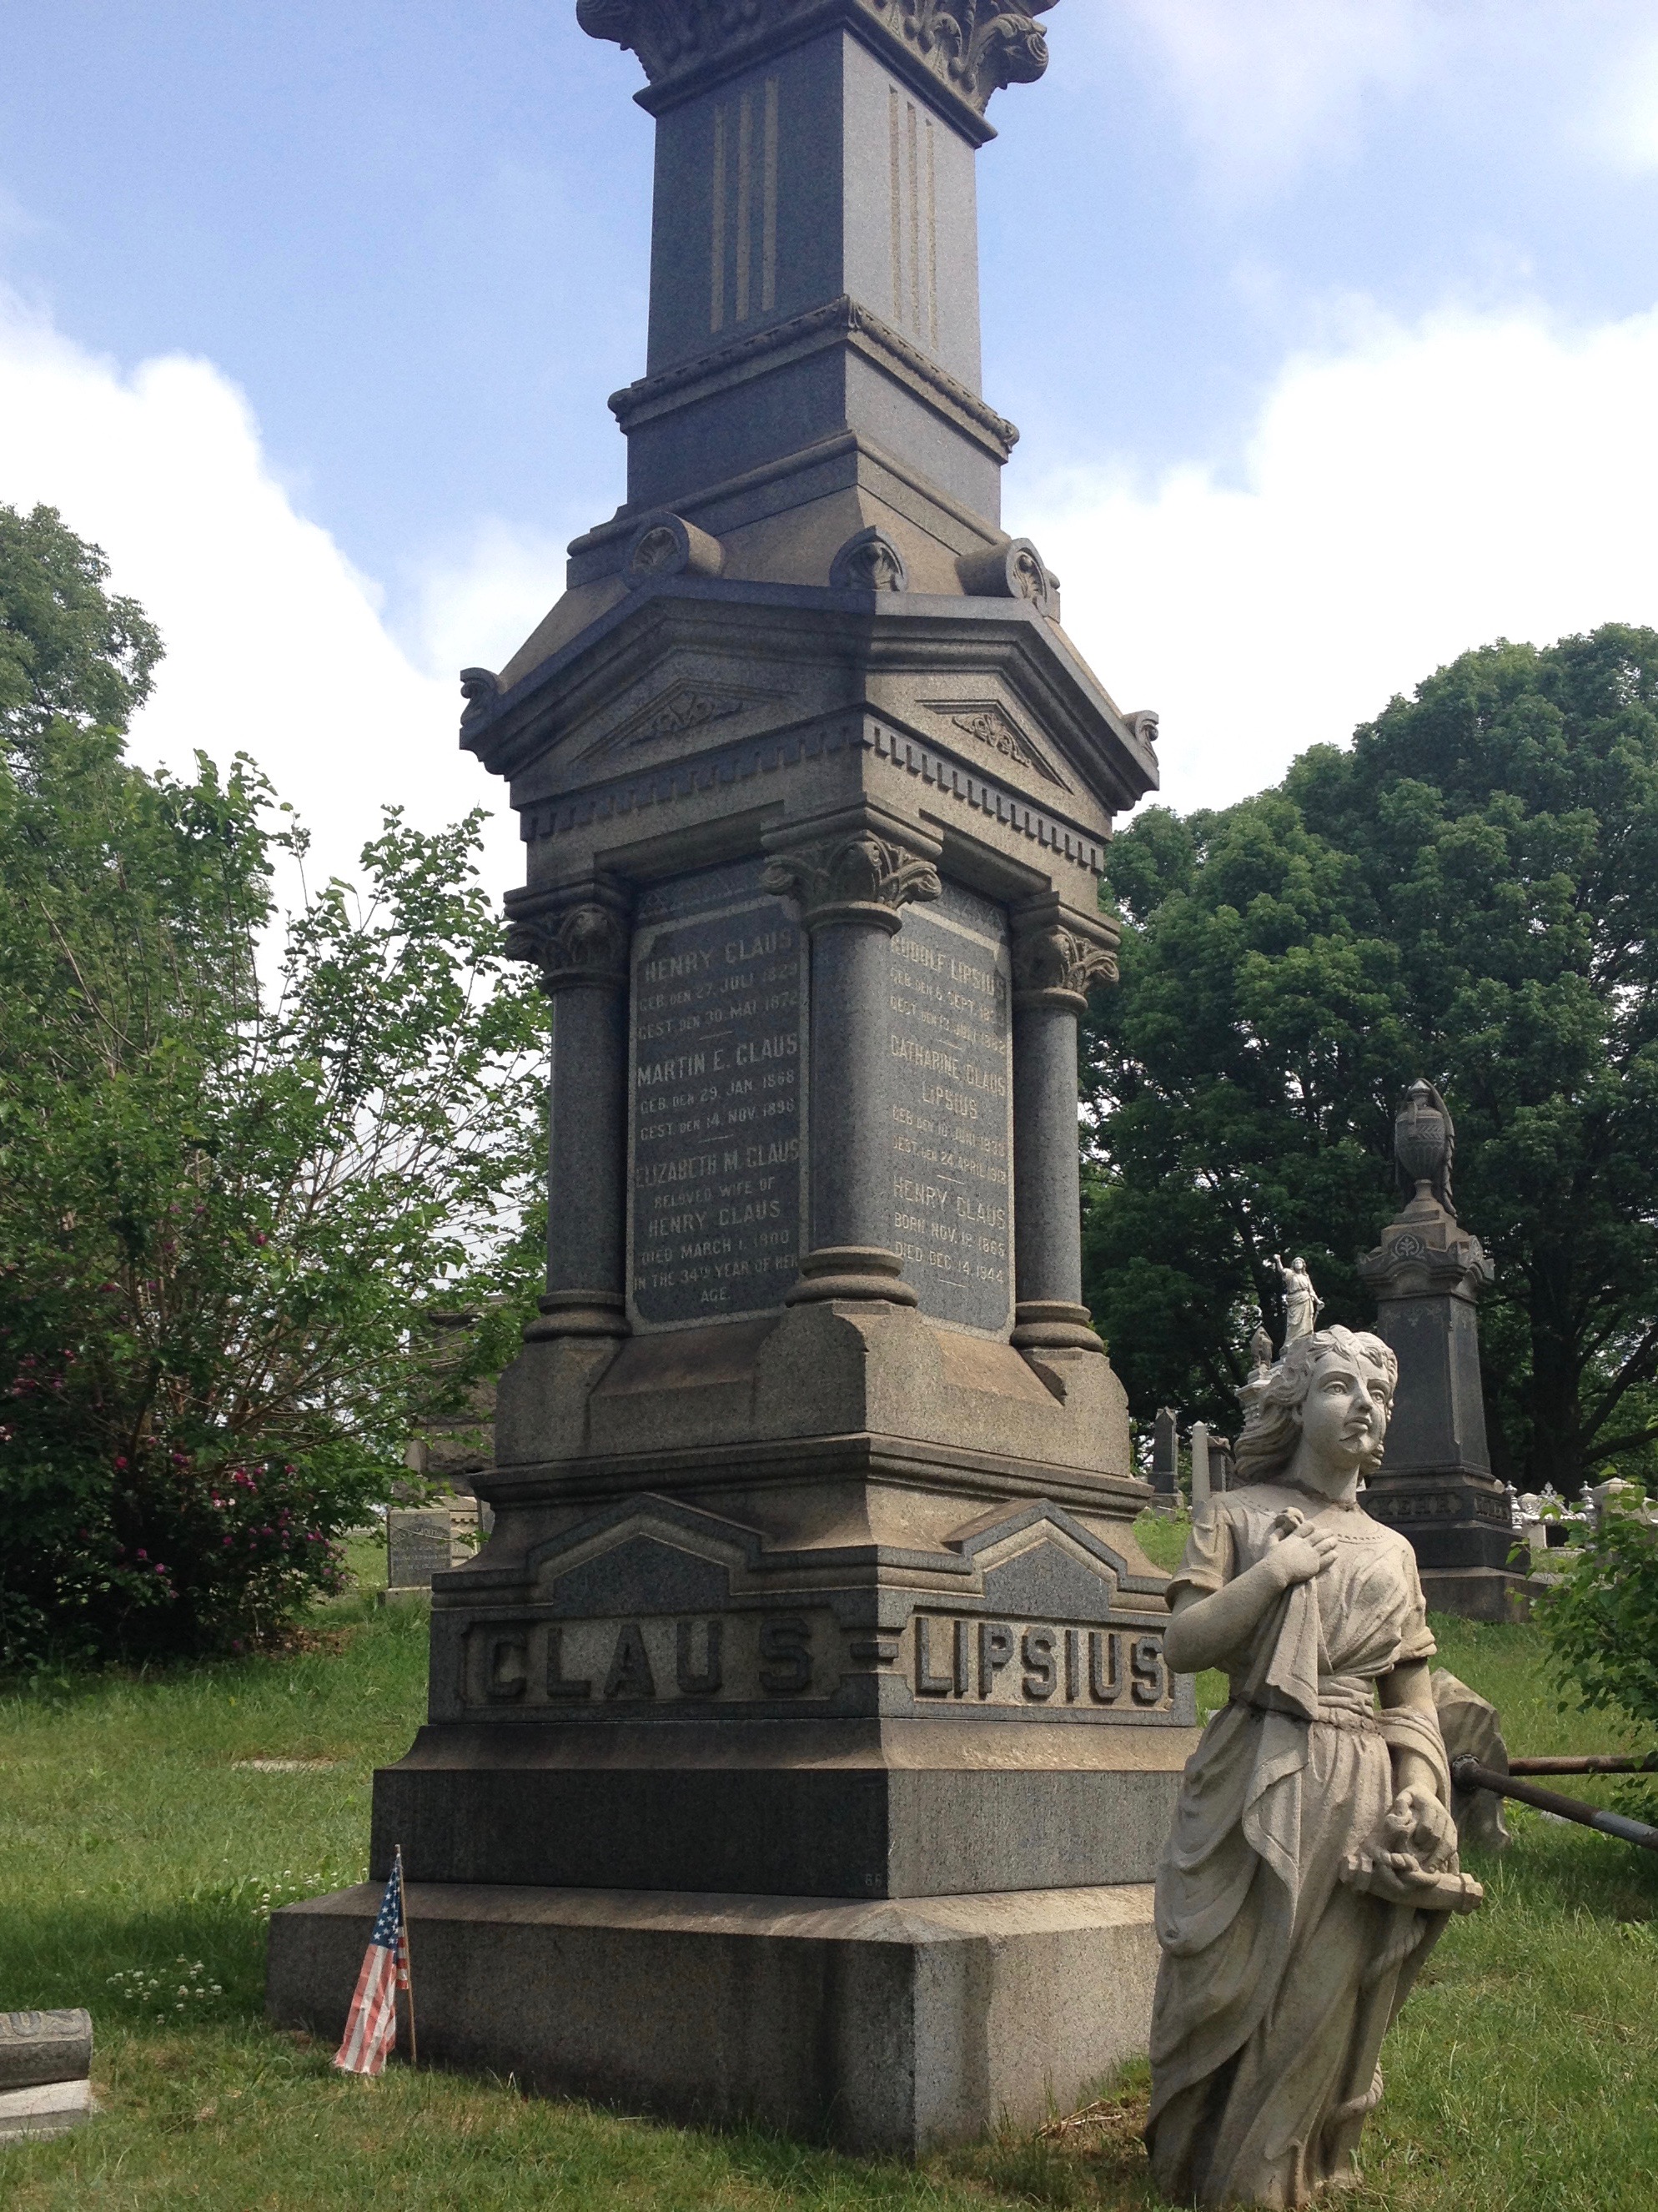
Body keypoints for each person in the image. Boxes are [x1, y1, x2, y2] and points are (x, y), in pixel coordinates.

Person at [1146, 1326, 1481, 2209]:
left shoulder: (1392, 1552)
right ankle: (1191, 2153)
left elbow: (1407, 1696)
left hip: (1354, 1775)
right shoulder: (1234, 1514)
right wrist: (1274, 1573)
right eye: (1339, 1385)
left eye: (1378, 1393)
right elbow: (1182, 1645)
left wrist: (1418, 1789)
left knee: (1317, 1998)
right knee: (1216, 1980)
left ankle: (1266, 2175)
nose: (1363, 1406)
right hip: (1250, 1760)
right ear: (1294, 1406)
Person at [1272, 1253, 1323, 1345]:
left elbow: (1311, 1290)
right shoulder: (1290, 1274)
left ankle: (1305, 1338)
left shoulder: (1306, 1277)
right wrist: (1278, 1260)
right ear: (1293, 1265)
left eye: (1300, 1263)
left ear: (1303, 1265)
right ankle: (1292, 1341)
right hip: (1294, 1299)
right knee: (1294, 1322)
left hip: (1306, 1298)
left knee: (1306, 1320)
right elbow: (1281, 1270)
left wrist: (1318, 1301)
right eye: (1296, 1263)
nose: (1298, 1264)